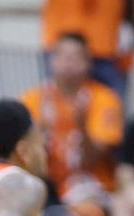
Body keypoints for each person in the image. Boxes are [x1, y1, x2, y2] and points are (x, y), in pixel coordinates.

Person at [21, 32, 123, 201]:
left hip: (92, 186)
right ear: (51, 60)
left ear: (89, 63)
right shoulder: (31, 99)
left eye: (76, 57)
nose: (68, 63)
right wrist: (43, 129)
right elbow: (26, 160)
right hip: (45, 185)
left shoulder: (105, 99)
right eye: (62, 56)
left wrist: (82, 125)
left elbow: (90, 160)